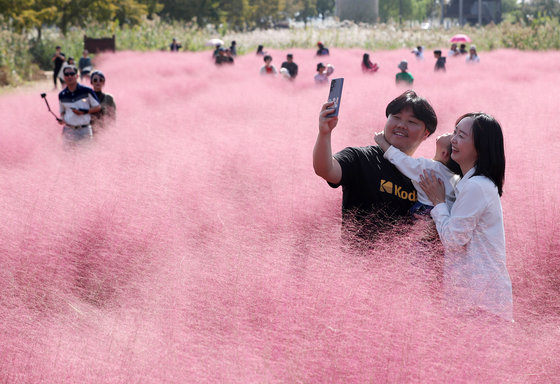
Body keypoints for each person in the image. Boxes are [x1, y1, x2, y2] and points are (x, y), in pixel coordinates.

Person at [418, 113, 513, 321]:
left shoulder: (476, 186)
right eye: (454, 132)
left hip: (480, 304)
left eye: (461, 135)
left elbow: (453, 240)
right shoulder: (474, 184)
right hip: (479, 301)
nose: (453, 140)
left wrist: (438, 201)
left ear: (480, 147)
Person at [313, 90, 438, 240]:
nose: (401, 125)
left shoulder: (425, 175)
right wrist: (324, 133)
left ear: (426, 134)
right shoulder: (361, 158)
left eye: (411, 122)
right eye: (396, 117)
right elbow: (326, 170)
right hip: (356, 261)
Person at [374, 132, 461, 215]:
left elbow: (402, 161)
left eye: (450, 136)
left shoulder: (429, 167)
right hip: (446, 213)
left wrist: (382, 142)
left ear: (444, 153)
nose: (450, 133)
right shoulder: (456, 177)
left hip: (425, 210)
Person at [57, 65, 101, 142]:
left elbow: (98, 107)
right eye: (67, 74)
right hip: (68, 131)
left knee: (86, 154)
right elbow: (62, 112)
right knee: (67, 154)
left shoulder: (87, 91)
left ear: (77, 76)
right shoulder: (61, 95)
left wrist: (84, 111)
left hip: (84, 130)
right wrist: (61, 119)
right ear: (64, 77)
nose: (69, 76)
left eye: (72, 74)